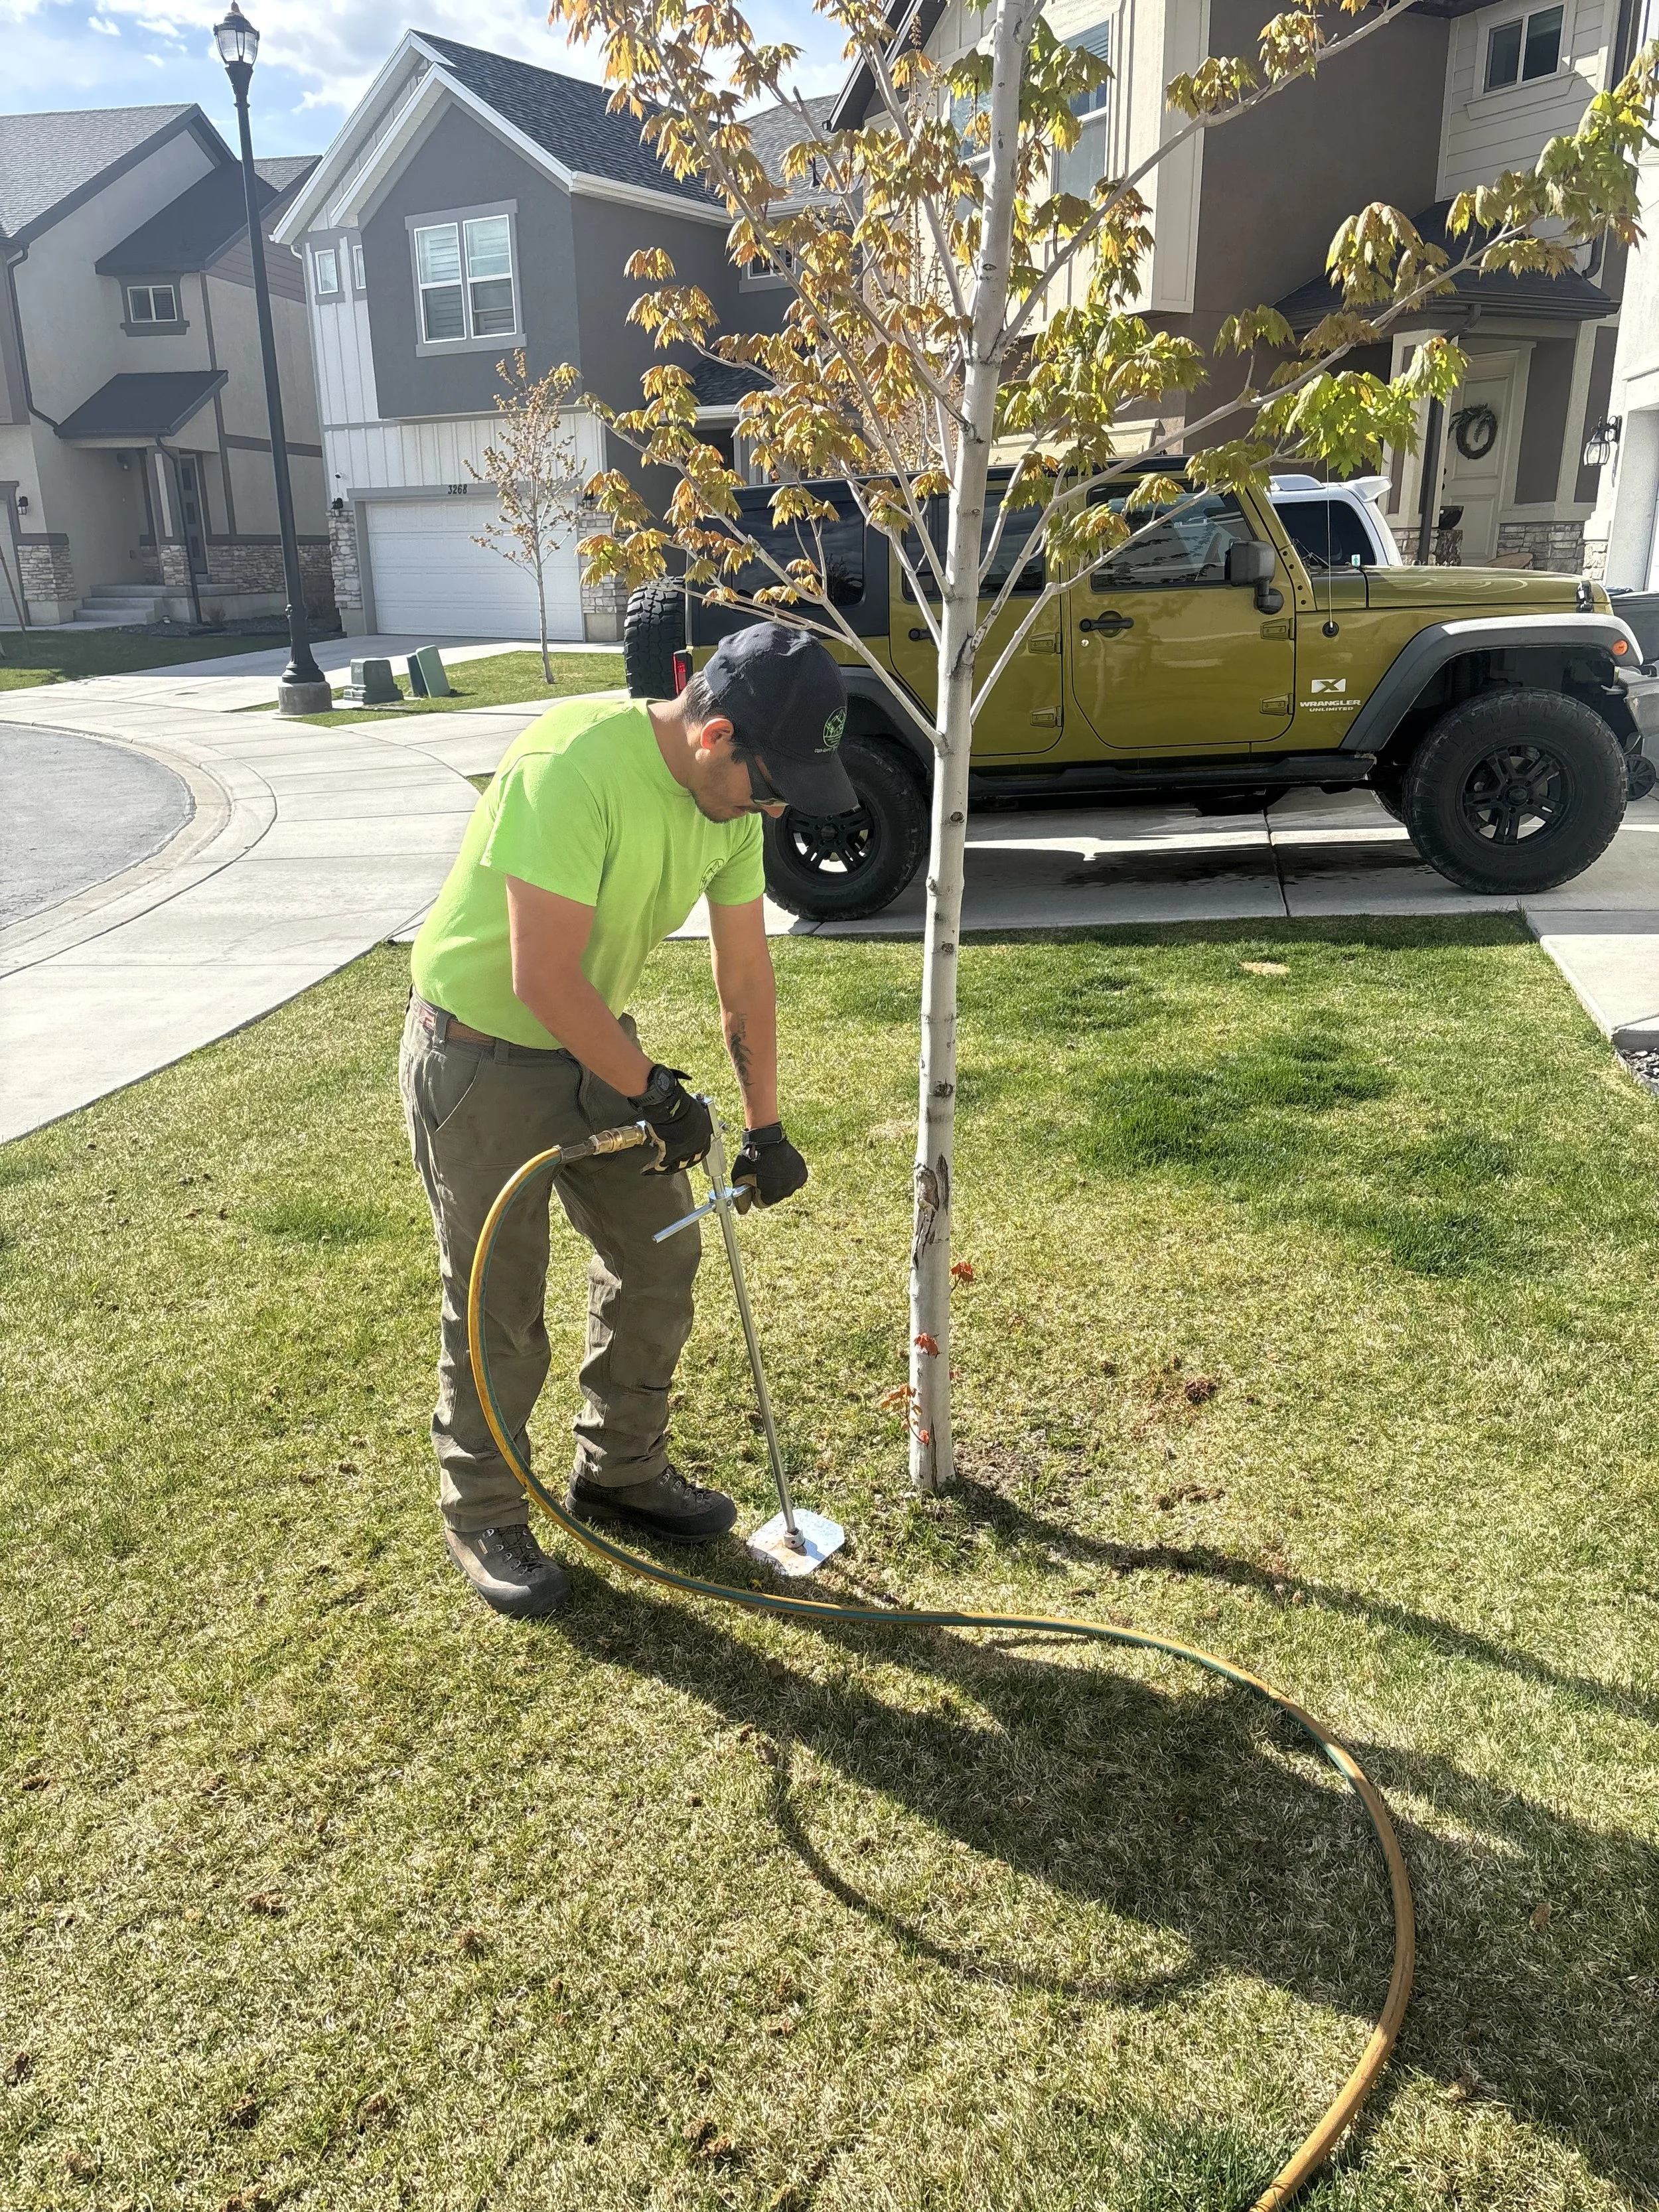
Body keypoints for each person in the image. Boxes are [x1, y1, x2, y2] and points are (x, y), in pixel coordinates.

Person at [399, 622, 857, 1619]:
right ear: (716, 734)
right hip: (481, 1053)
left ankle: (620, 1468)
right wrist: (654, 1091)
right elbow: (541, 976)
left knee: (660, 1256)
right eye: (770, 785)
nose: (775, 809)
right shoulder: (572, 767)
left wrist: (764, 1126)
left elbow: (744, 973)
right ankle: (481, 1507)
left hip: (599, 1043)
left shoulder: (728, 811)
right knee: (498, 1299)